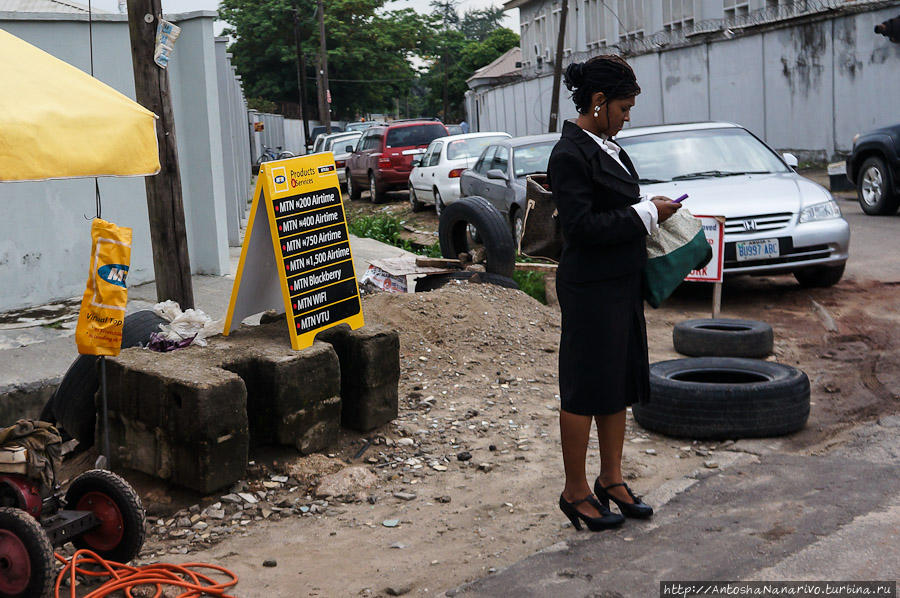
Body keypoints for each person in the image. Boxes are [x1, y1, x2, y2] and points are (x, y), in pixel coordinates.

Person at [547, 55, 681, 532]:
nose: (628, 117)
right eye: (624, 107)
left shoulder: (610, 149)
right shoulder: (568, 154)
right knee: (584, 388)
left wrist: (649, 208)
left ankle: (611, 479)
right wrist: (647, 215)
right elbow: (580, 228)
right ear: (599, 102)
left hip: (621, 282)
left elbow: (619, 206)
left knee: (617, 382)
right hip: (589, 287)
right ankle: (575, 490)